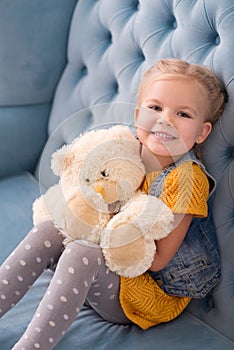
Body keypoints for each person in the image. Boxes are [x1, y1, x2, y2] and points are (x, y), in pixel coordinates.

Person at [0, 59, 227, 349]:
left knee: (82, 251)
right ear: (137, 114)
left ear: (201, 133)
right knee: (49, 229)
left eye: (182, 114)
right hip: (101, 272)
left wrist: (99, 232)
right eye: (155, 108)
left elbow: (157, 261)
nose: (165, 119)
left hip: (142, 296)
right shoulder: (125, 149)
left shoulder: (186, 179)